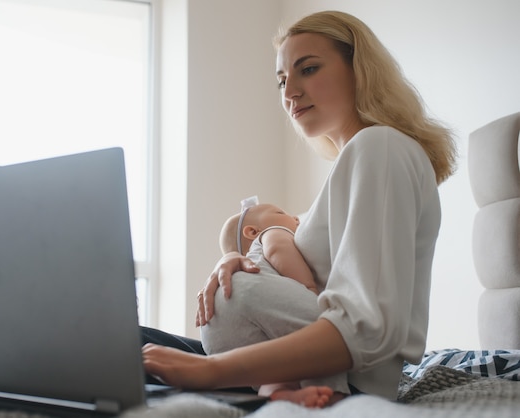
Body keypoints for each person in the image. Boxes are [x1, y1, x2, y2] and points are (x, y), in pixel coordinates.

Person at [142, 9, 456, 408]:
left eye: (307, 69)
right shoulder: (355, 163)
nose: (289, 91)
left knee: (122, 356)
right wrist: (235, 260)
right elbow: (315, 285)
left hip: (344, 380)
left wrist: (210, 371)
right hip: (289, 368)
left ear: (360, 70)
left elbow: (368, 328)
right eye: (281, 81)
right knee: (124, 346)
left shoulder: (381, 147)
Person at [201, 196, 350, 405]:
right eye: (282, 214)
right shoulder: (271, 233)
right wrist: (308, 287)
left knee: (276, 366)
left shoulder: (242, 261)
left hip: (214, 330)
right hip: (251, 292)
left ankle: (275, 392)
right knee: (320, 333)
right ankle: (332, 393)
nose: (295, 219)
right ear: (252, 232)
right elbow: (278, 250)